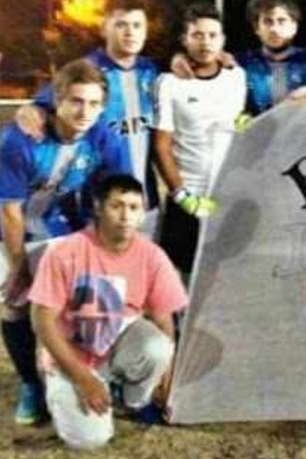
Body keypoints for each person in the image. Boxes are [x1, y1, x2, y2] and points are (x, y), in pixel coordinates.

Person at [0, 59, 131, 425]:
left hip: (60, 221)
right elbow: (10, 210)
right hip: (9, 226)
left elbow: (117, 195)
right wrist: (19, 268)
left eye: (94, 103)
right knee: (16, 304)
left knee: (89, 296)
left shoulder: (105, 138)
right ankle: (30, 384)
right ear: (57, 100)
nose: (85, 112)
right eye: (76, 101)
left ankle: (89, 372)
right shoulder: (21, 139)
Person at [29, 174, 188, 449]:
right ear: (98, 208)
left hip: (118, 342)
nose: (126, 216)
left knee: (159, 348)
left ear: (142, 213)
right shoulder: (64, 252)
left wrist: (166, 375)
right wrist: (83, 378)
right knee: (90, 440)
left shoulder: (152, 256)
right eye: (116, 206)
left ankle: (133, 401)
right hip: (72, 353)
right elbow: (42, 321)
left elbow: (163, 318)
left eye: (134, 207)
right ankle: (65, 389)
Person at [17, 0, 161, 229]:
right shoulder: (86, 70)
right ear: (104, 29)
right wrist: (31, 108)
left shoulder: (152, 71)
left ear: (146, 32)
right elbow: (42, 105)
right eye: (121, 25)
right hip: (100, 205)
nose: (130, 32)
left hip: (147, 202)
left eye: (137, 25)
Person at [153, 3, 246, 277]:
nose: (206, 42)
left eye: (212, 35)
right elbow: (161, 146)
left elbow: (241, 124)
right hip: (189, 197)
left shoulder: (237, 76)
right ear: (185, 39)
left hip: (227, 196)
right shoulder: (169, 83)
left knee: (224, 276)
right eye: (197, 35)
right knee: (179, 278)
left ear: (223, 40)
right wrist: (182, 196)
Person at [238, 0, 306, 116]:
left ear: (294, 27)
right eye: (268, 21)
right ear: (257, 28)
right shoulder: (242, 63)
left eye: (281, 21)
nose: (274, 28)